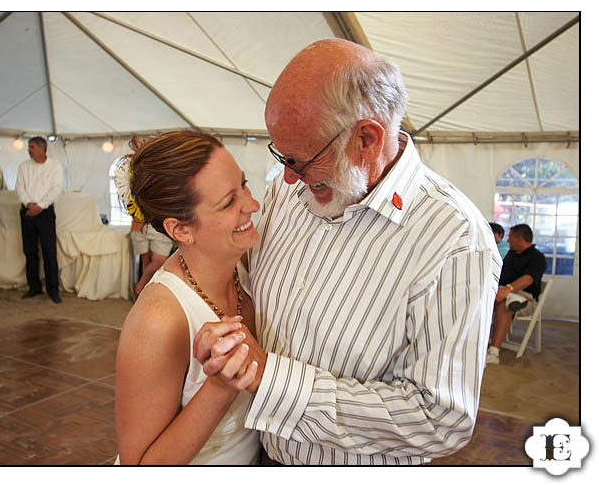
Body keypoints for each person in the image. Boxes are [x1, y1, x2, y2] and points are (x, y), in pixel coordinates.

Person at [194, 39, 502, 465]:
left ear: (367, 140)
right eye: (281, 156)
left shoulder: (455, 239)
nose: (286, 178)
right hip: (260, 454)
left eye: (300, 161)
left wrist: (272, 380)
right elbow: (245, 280)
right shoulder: (291, 192)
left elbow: (438, 419)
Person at [114, 131, 262, 464]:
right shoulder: (159, 318)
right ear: (181, 230)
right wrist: (221, 387)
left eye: (244, 184)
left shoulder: (245, 263)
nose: (252, 205)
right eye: (228, 202)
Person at [486, 223, 547, 365]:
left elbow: (528, 279)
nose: (507, 240)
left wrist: (508, 289)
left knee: (505, 303)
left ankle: (494, 352)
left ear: (519, 239)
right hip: (504, 290)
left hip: (524, 298)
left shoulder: (537, 257)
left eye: (510, 237)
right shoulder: (512, 254)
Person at [114, 160, 176, 298]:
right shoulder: (131, 176)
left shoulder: (164, 177)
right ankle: (145, 295)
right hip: (138, 223)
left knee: (159, 260)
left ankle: (140, 287)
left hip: (157, 223)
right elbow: (127, 198)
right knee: (146, 260)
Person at [16, 136, 64, 304]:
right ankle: (34, 287)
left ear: (42, 149)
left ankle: (53, 290)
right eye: (29, 146)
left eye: (32, 146)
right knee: (30, 252)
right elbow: (19, 187)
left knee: (49, 253)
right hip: (27, 212)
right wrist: (29, 204)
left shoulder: (54, 166)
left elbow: (56, 189)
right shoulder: (23, 167)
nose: (29, 149)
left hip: (45, 213)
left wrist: (40, 206)